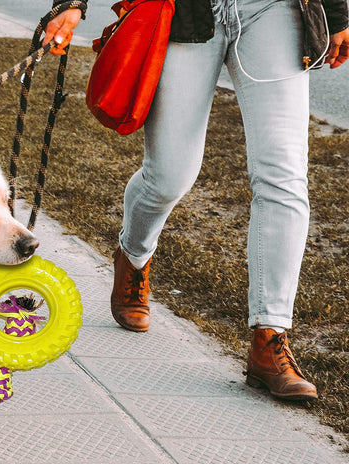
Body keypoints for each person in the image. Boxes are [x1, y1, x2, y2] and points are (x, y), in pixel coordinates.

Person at [45, 0, 349, 401]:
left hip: (274, 10)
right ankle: (133, 254)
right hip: (187, 11)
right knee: (168, 176)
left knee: (284, 175)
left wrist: (338, 15)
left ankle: (270, 337)